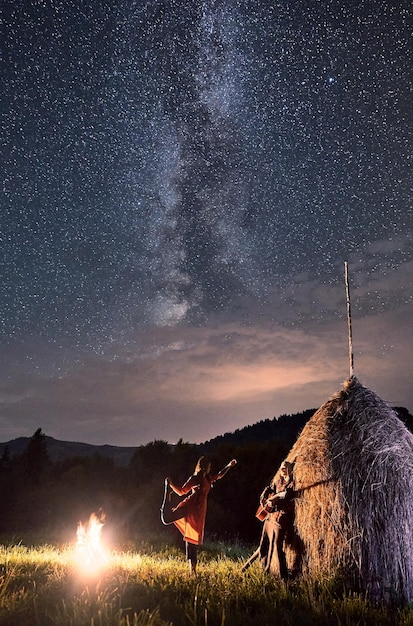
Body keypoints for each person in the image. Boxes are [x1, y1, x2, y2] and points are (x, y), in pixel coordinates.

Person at [166, 456, 237, 575]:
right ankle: (192, 570)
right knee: (191, 537)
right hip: (192, 508)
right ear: (204, 467)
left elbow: (219, 475)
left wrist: (229, 466)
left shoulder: (208, 478)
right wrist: (171, 484)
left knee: (195, 537)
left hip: (200, 510)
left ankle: (192, 569)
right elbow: (182, 492)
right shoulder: (194, 478)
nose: (210, 468)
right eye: (209, 466)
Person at [242, 459, 296, 579]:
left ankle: (284, 577)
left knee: (277, 547)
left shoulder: (292, 483)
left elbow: (286, 494)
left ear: (290, 469)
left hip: (281, 520)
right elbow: (269, 488)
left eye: (285, 467)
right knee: (263, 544)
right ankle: (264, 570)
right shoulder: (278, 482)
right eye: (281, 467)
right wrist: (264, 495)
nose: (283, 469)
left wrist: (275, 497)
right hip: (270, 517)